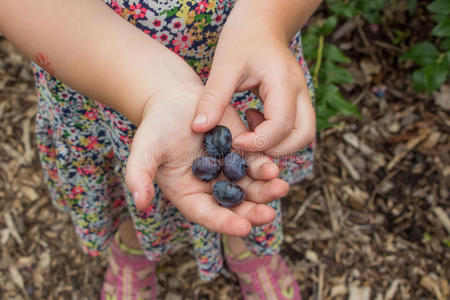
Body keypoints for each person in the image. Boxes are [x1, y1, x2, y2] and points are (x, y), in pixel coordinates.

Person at [0, 0, 321, 299]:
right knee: (132, 177)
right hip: (95, 73)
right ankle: (133, 241)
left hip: (243, 71)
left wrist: (268, 22)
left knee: (249, 176)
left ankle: (247, 244)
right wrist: (154, 90)